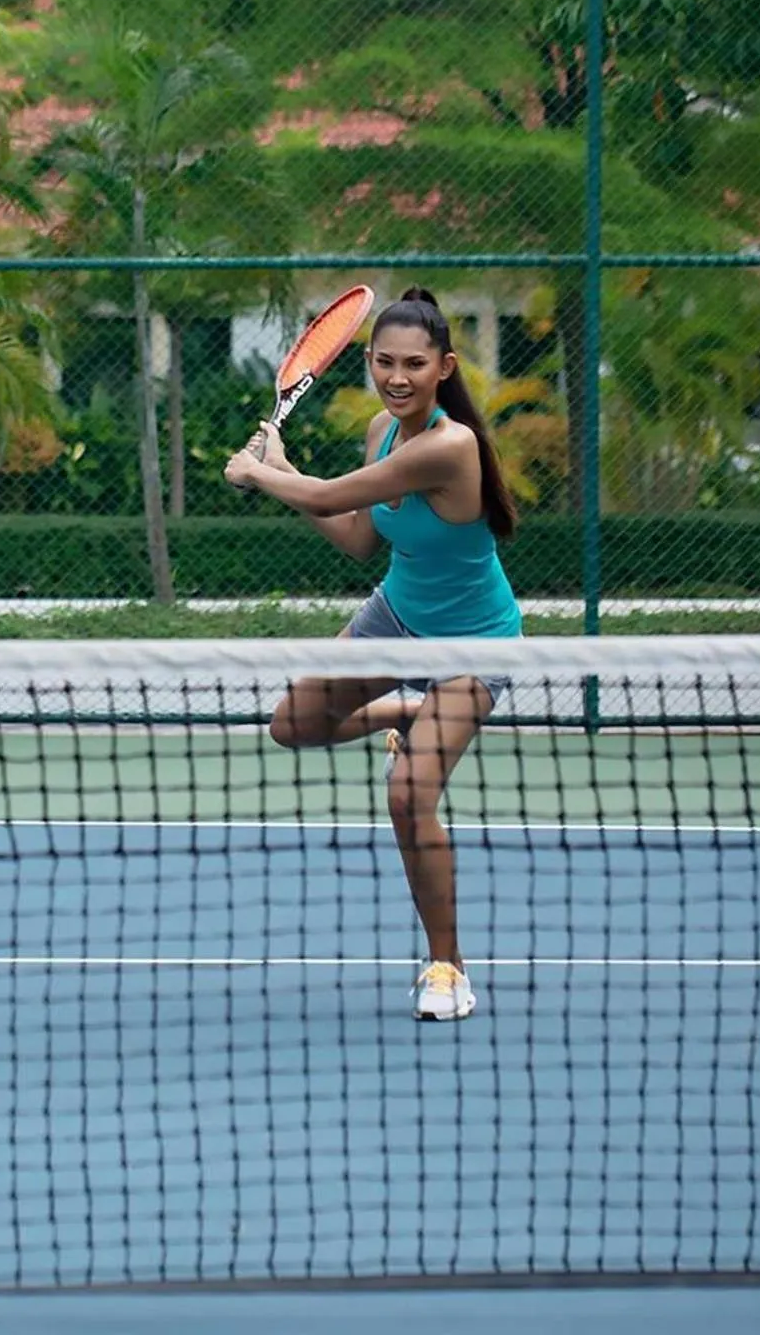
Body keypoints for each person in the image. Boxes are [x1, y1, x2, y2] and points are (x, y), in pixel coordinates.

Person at [225, 287, 522, 1023]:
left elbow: (327, 499)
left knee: (406, 794)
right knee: (292, 724)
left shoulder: (451, 446)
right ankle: (412, 708)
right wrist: (285, 470)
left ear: (444, 367)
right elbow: (358, 535)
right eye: (384, 362)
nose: (397, 377)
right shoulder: (379, 435)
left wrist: (264, 472)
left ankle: (446, 968)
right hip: (395, 617)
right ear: (367, 362)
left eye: (415, 364)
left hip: (472, 645)